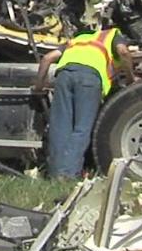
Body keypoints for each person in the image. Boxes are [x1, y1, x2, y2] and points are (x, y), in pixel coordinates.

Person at [34, 24, 136, 178]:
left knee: (60, 126)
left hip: (64, 76)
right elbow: (124, 52)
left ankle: (55, 173)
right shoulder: (113, 35)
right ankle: (68, 174)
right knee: (82, 129)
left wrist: (39, 86)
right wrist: (130, 79)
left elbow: (47, 58)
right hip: (89, 79)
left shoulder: (78, 39)